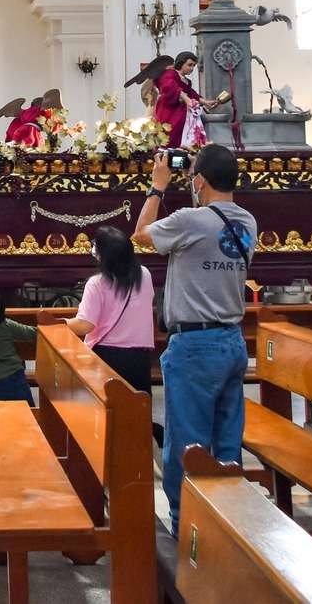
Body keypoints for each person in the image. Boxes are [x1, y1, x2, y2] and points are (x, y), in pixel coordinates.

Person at [134, 144, 255, 533]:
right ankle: (229, 524)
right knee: (226, 444)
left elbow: (140, 236)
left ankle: (187, 527)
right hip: (232, 340)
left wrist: (157, 186)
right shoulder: (248, 222)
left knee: (187, 443)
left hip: (195, 345)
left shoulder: (190, 220)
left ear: (199, 180)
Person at [66, 225, 159, 443]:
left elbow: (85, 325)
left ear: (102, 255)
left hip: (106, 357)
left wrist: (60, 324)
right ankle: (138, 457)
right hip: (139, 357)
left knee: (107, 415)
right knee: (136, 412)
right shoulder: (144, 275)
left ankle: (108, 458)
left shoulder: (97, 283)